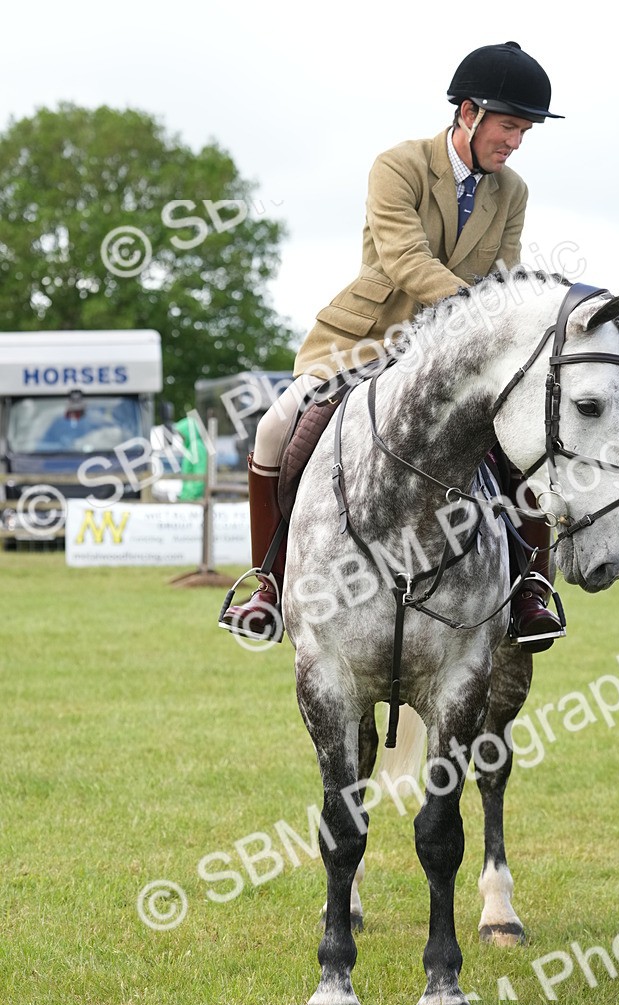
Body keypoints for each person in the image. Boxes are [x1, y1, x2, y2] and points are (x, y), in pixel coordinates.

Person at [220, 41, 565, 649]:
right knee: (275, 429)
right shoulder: (398, 165)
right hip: (367, 341)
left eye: (523, 131)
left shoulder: (512, 191)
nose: (514, 142)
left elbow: (505, 276)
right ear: (468, 113)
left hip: (455, 353)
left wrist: (505, 319)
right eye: (509, 126)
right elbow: (406, 260)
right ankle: (268, 584)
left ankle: (532, 585)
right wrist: (481, 312)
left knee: (518, 439)